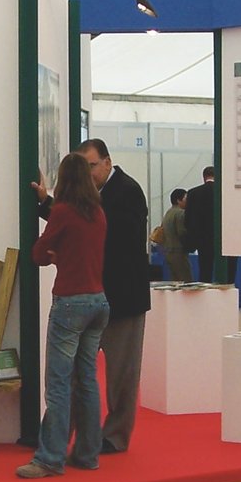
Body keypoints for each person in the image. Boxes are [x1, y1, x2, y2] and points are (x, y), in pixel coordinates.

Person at [34, 138, 151, 453]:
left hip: (123, 299)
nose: (88, 173)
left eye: (92, 166)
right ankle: (72, 439)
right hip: (94, 297)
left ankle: (114, 437)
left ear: (108, 162)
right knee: (80, 376)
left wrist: (68, 247)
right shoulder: (92, 201)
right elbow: (79, 223)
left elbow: (99, 233)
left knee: (121, 376)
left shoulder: (128, 191)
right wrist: (47, 203)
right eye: (83, 168)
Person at [18, 153, 109, 478]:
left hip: (70, 303)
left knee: (58, 384)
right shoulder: (97, 213)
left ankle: (50, 458)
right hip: (99, 301)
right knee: (87, 381)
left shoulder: (64, 212)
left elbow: (38, 253)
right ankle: (87, 454)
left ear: (63, 179)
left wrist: (54, 254)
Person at [184, 165, 217, 281]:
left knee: (205, 271)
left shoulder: (193, 193)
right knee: (224, 275)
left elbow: (188, 219)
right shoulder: (224, 192)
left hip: (202, 240)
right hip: (222, 239)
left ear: (204, 177)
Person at [161, 187, 191, 282]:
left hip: (168, 251)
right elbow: (182, 232)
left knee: (175, 281)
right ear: (179, 200)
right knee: (185, 280)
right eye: (186, 198)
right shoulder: (180, 213)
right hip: (179, 252)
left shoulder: (168, 212)